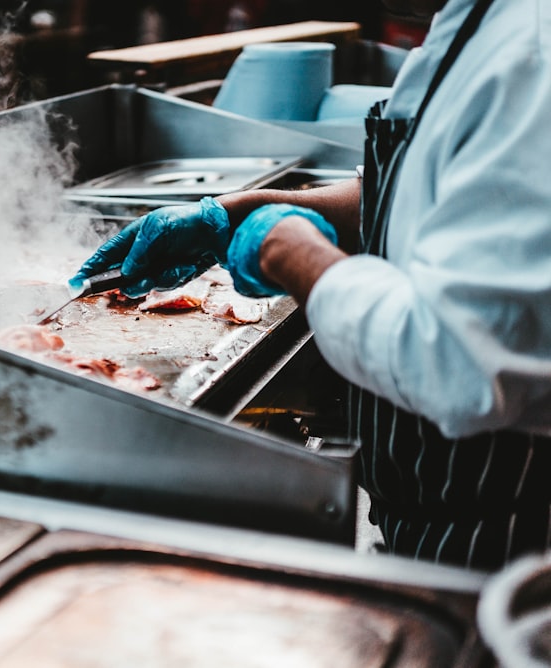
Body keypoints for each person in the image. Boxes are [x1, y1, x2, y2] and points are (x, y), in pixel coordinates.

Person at [70, 0, 551, 572]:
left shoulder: (532, 50)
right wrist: (242, 209)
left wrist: (292, 254)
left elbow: (465, 361)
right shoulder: (478, 21)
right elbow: (419, 190)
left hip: (512, 535)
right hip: (436, 501)